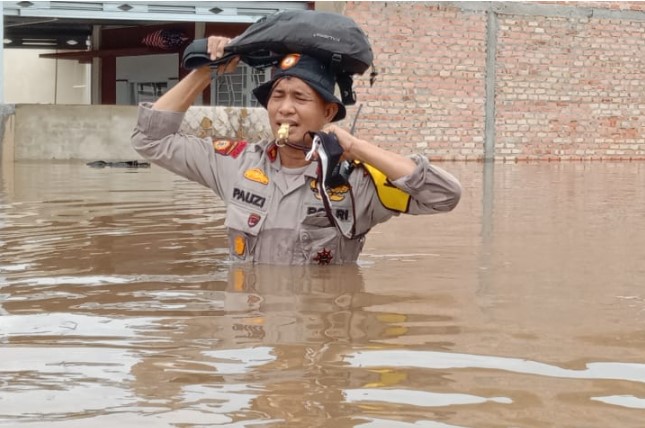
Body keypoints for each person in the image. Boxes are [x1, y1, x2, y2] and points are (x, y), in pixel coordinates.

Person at [131, 36, 462, 265]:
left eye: (300, 98)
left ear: (328, 113)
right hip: (251, 338)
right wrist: (204, 72)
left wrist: (357, 147)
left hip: (322, 344)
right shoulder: (235, 162)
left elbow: (444, 196)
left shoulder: (356, 182)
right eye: (277, 96)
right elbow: (151, 140)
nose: (284, 109)